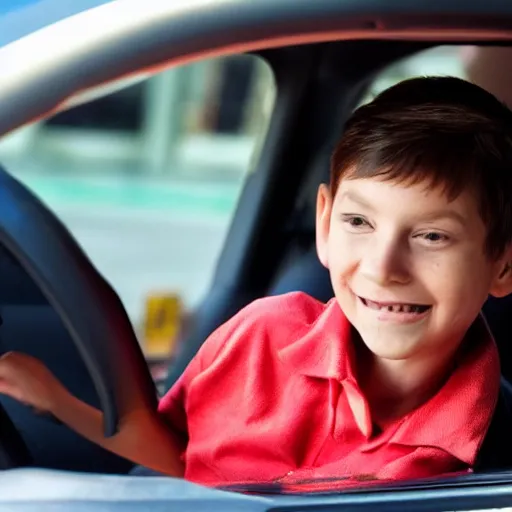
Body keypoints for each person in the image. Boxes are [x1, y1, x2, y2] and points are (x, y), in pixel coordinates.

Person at [1, 76, 512, 487]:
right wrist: (57, 402)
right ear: (325, 224)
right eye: (359, 223)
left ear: (504, 265)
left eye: (431, 236)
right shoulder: (262, 335)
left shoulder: (491, 448)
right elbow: (181, 456)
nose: (383, 267)